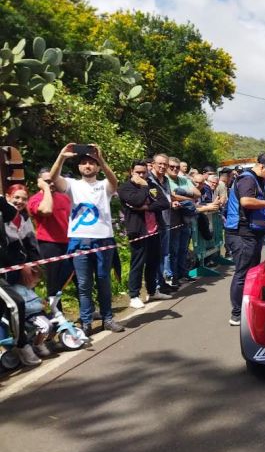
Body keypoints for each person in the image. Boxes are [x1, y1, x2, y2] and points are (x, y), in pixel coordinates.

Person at [49, 143, 125, 336]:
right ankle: (86, 321)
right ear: (79, 168)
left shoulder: (104, 185)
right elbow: (52, 178)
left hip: (103, 239)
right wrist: (62, 156)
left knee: (103, 280)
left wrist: (101, 158)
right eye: (83, 163)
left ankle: (107, 318)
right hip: (80, 239)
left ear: (97, 167)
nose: (87, 166)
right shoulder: (72, 185)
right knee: (83, 283)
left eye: (91, 163)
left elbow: (114, 181)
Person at [225, 154, 265, 326]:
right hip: (241, 233)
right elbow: (246, 201)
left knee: (251, 273)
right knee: (242, 274)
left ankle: (247, 308)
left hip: (252, 233)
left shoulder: (259, 181)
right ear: (262, 167)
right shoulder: (248, 179)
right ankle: (236, 314)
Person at [118, 160, 172, 309]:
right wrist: (143, 187)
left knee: (153, 262)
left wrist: (147, 207)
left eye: (144, 172)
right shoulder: (125, 187)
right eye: (138, 172)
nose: (142, 175)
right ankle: (134, 295)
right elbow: (136, 201)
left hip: (154, 229)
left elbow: (164, 203)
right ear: (131, 172)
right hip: (138, 231)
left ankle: (152, 291)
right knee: (138, 263)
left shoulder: (152, 186)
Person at [28, 168, 72, 310]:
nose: (51, 184)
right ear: (39, 182)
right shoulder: (35, 199)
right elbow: (46, 210)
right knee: (54, 283)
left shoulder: (64, 198)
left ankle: (88, 312)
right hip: (49, 245)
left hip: (69, 242)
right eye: (47, 181)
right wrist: (45, 189)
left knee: (77, 278)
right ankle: (57, 315)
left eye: (52, 181)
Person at [166, 156, 199, 286]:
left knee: (183, 249)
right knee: (173, 250)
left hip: (185, 219)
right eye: (171, 167)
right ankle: (173, 276)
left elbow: (198, 193)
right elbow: (171, 196)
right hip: (172, 220)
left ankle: (182, 273)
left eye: (177, 167)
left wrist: (183, 193)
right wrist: (189, 198)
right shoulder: (165, 180)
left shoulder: (184, 179)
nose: (174, 169)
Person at [148, 154, 177, 294]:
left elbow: (166, 198)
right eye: (160, 163)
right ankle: (155, 286)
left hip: (167, 220)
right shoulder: (148, 180)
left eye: (165, 164)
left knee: (164, 253)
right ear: (153, 164)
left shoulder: (165, 180)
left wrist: (172, 202)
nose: (162, 166)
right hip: (153, 222)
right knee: (155, 255)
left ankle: (162, 282)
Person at [4, 185, 40, 286]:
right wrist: (21, 266)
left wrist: (32, 265)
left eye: (24, 199)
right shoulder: (2, 218)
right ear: (7, 197)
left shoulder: (25, 218)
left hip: (26, 271)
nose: (20, 201)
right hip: (7, 270)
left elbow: (32, 245)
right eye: (16, 197)